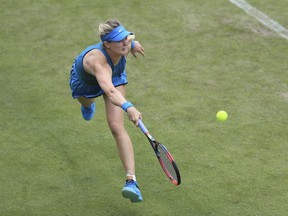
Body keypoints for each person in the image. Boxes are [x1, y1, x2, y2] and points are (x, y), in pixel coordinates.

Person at [69, 19, 145, 203]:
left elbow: (129, 38)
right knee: (87, 104)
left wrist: (133, 44)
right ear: (106, 44)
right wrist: (129, 107)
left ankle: (131, 181)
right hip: (86, 85)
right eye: (120, 40)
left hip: (115, 77)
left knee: (116, 127)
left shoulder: (123, 43)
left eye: (125, 38)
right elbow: (109, 92)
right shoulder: (98, 61)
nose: (124, 42)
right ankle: (87, 105)